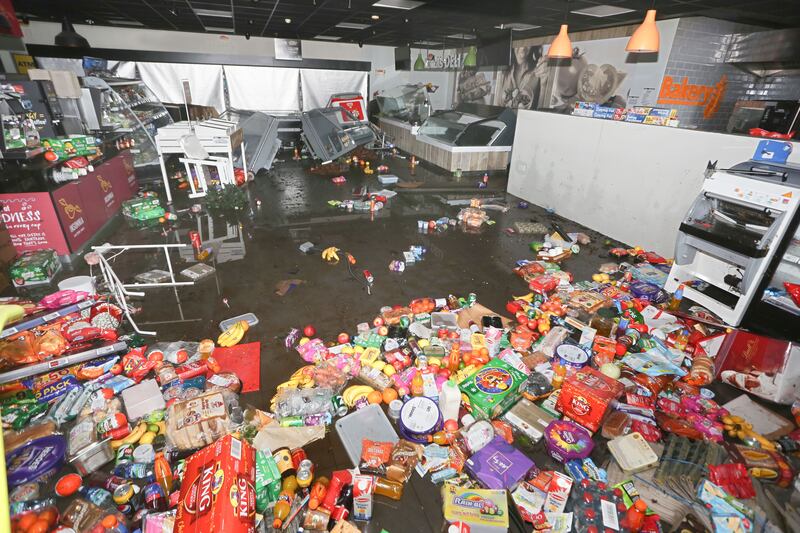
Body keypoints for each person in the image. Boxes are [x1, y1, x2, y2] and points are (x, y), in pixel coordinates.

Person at [494, 46, 547, 110]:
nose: (522, 48)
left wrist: (544, 82)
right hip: (504, 118)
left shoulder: (539, 71)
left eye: (528, 43)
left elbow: (541, 110)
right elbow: (496, 106)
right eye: (519, 44)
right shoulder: (503, 71)